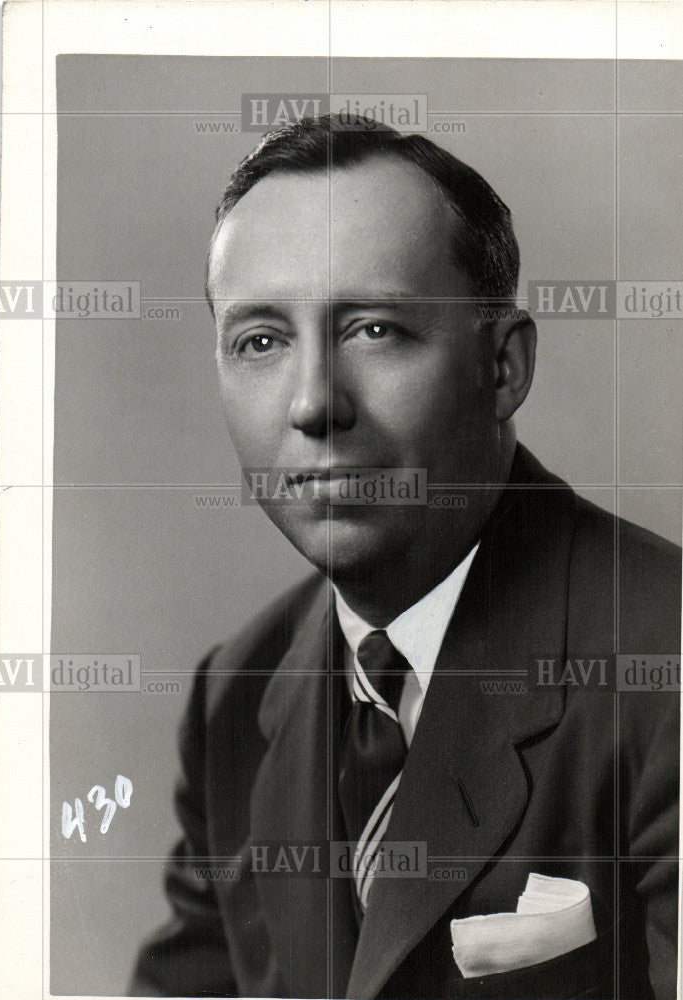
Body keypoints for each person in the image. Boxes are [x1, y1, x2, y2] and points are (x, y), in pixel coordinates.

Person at [130, 115, 680, 999]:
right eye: (260, 341)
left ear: (501, 369)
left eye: (375, 330)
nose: (312, 403)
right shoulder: (236, 695)